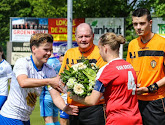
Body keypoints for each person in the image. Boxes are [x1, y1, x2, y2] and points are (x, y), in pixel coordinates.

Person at [0, 33, 78, 125]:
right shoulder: (22, 62)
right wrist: (49, 81)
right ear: (34, 49)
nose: (49, 53)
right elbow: (23, 82)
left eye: (50, 50)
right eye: (45, 49)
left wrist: (65, 108)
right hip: (10, 117)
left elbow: (56, 96)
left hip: (25, 118)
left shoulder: (49, 70)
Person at [72, 32, 143, 125]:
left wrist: (75, 97)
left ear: (105, 48)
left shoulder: (106, 69)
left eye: (99, 48)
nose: (99, 52)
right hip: (136, 118)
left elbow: (92, 100)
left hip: (117, 120)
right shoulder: (129, 66)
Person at [59, 23, 107, 125]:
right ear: (75, 37)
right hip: (74, 108)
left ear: (93, 36)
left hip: (95, 108)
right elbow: (62, 77)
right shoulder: (69, 53)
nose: (83, 39)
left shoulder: (100, 52)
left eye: (87, 36)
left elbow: (102, 80)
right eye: (80, 36)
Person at [126, 8, 165, 125]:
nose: (138, 27)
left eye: (142, 23)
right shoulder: (132, 44)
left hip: (156, 101)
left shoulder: (162, 43)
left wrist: (150, 88)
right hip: (135, 101)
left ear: (150, 23)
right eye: (135, 24)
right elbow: (129, 71)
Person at [40, 54, 61, 125]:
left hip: (46, 94)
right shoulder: (57, 61)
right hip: (57, 94)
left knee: (48, 120)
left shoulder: (46, 63)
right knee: (55, 119)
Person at [58, 54, 70, 125]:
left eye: (63, 61)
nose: (61, 63)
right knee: (63, 120)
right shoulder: (59, 72)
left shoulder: (72, 71)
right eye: (60, 61)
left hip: (71, 99)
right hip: (63, 99)